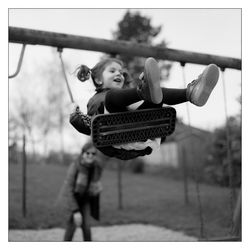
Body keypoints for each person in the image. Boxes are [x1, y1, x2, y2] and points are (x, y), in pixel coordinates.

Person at [70, 57, 219, 160]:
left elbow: (138, 106)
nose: (119, 74)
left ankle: (189, 93)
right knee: (113, 98)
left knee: (155, 97)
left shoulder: (124, 99)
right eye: (112, 71)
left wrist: (147, 99)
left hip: (140, 139)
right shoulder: (96, 100)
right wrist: (75, 116)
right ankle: (145, 91)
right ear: (97, 79)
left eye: (121, 72)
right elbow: (88, 127)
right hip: (112, 139)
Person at [62, 141, 103, 241]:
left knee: (87, 228)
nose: (90, 156)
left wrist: (96, 188)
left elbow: (95, 181)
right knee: (71, 228)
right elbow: (69, 189)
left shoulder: (96, 166)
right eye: (87, 153)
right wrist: (75, 211)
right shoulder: (75, 166)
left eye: (93, 154)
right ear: (82, 153)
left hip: (86, 200)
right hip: (74, 200)